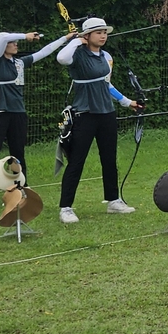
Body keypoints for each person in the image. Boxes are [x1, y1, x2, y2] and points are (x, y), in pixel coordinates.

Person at [55, 18, 141, 223]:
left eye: (105, 32)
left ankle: (113, 200)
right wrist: (76, 40)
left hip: (106, 113)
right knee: (77, 160)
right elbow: (60, 57)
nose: (103, 35)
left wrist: (127, 102)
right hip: (85, 114)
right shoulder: (77, 55)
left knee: (109, 159)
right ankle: (65, 207)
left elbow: (106, 85)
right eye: (98, 32)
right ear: (87, 36)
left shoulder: (105, 56)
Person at [0, 29, 74, 205]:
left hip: (18, 113)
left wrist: (66, 38)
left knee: (18, 153)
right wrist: (25, 35)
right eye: (12, 43)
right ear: (0, 47)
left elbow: (44, 51)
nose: (16, 44)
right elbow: (6, 37)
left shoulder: (20, 63)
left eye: (16, 42)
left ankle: (21, 186)